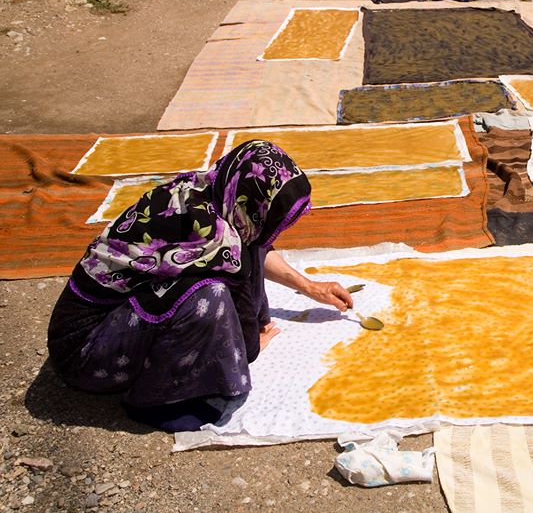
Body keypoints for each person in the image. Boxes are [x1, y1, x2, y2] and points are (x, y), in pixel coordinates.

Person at [47, 140, 353, 431]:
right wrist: (248, 346)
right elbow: (243, 328)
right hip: (86, 351)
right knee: (209, 296)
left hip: (108, 324)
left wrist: (310, 286)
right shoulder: (217, 241)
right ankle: (157, 402)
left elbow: (255, 244)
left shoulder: (210, 192)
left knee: (243, 248)